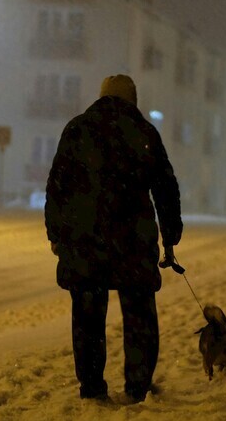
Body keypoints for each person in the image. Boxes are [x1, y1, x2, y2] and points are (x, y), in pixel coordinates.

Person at [45, 74, 182, 403]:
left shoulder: (77, 129)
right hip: (132, 239)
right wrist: (170, 235)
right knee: (139, 315)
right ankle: (137, 386)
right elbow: (165, 188)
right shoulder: (143, 132)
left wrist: (57, 233)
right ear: (132, 100)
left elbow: (57, 186)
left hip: (85, 237)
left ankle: (92, 387)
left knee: (88, 316)